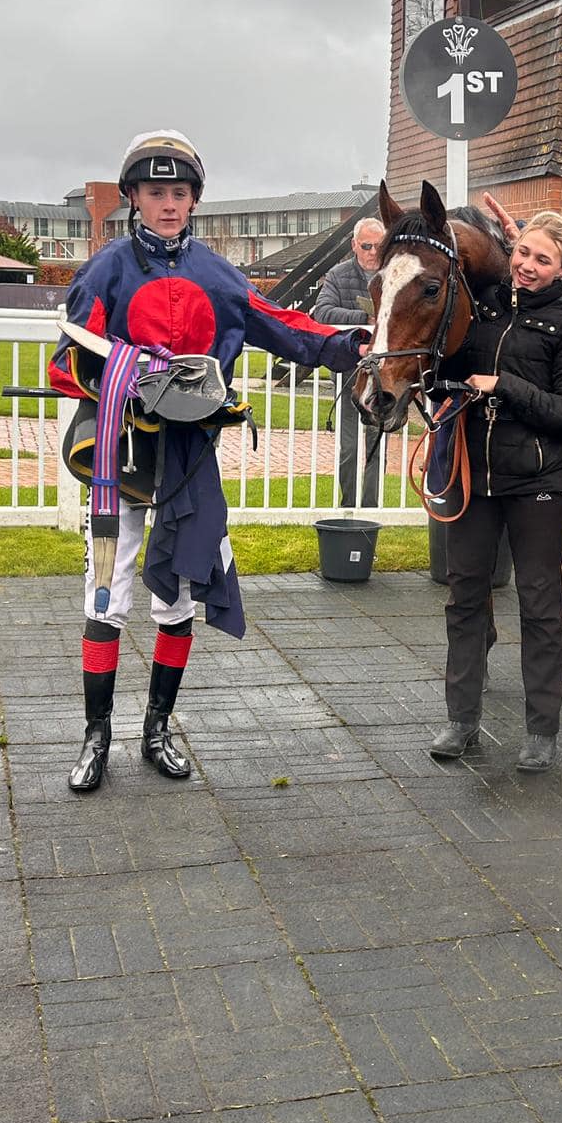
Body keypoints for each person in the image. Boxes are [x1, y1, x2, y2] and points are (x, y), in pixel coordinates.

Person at [50, 130, 366, 794]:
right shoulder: (106, 269)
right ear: (135, 197)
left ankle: (158, 727)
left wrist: (345, 343)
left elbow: (285, 326)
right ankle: (95, 734)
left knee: (179, 594)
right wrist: (130, 380)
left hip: (189, 464)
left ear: (194, 201)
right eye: (156, 192)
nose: (169, 204)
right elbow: (66, 359)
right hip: (121, 458)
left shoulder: (219, 276)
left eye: (180, 193)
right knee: (105, 593)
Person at [428, 211, 562, 773]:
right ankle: (461, 719)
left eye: (542, 259)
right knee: (465, 596)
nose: (526, 266)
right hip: (474, 479)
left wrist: (507, 387)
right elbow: (446, 362)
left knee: (541, 603)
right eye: (523, 253)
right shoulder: (486, 306)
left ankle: (541, 730)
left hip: (538, 485)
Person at [311, 217, 385, 506]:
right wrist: (363, 318)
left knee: (377, 444)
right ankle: (349, 505)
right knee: (350, 446)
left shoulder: (393, 273)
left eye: (378, 246)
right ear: (354, 245)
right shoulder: (338, 275)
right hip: (348, 372)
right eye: (366, 246)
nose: (372, 252)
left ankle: (371, 508)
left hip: (384, 372)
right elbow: (322, 312)